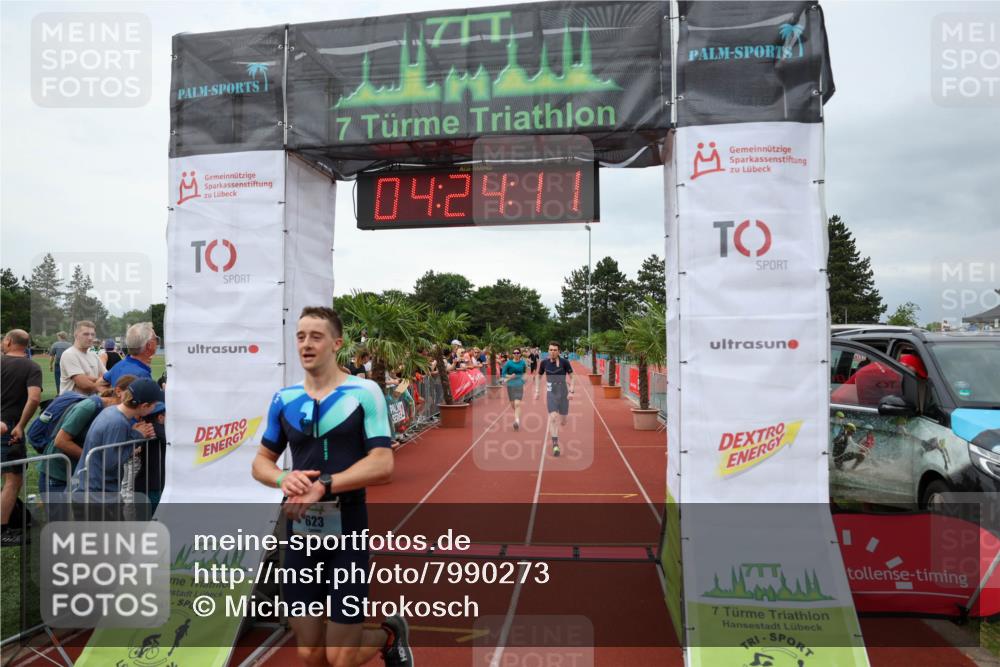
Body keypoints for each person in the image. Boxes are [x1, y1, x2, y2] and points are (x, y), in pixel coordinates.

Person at [250, 306, 412, 667]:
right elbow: (260, 462)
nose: (306, 344)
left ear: (337, 343)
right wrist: (281, 477)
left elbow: (383, 464)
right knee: (309, 653)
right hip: (300, 534)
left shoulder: (364, 392)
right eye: (301, 336)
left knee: (340, 657)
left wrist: (324, 484)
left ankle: (387, 635)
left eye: (316, 336)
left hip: (349, 530)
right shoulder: (285, 399)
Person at [39, 374, 137, 496]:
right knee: (63, 515)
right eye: (132, 397)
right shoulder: (89, 406)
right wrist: (93, 459)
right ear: (118, 391)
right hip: (57, 476)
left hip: (77, 474)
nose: (135, 402)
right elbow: (60, 441)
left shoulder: (119, 416)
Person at [71, 377, 160, 500]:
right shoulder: (118, 423)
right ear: (144, 406)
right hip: (97, 493)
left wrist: (131, 436)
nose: (155, 408)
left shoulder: (112, 411)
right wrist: (136, 436)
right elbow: (110, 463)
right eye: (154, 405)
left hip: (90, 488)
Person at [1, 329, 43, 545]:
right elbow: (34, 398)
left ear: (8, 341)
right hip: (10, 428)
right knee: (12, 480)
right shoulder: (32, 366)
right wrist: (20, 425)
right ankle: (3, 529)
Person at [533, 341, 575, 457]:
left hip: (563, 393)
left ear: (558, 351)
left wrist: (571, 391)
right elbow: (539, 376)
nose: (552, 352)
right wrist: (537, 391)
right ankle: (555, 444)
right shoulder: (544, 363)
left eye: (555, 350)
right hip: (551, 392)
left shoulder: (565, 362)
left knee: (563, 421)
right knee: (553, 417)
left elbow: (572, 377)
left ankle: (563, 419)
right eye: (551, 350)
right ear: (548, 350)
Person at [59, 320, 107, 395]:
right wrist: (101, 384)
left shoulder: (93, 355)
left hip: (90, 401)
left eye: (92, 334)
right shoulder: (69, 354)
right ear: (76, 335)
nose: (90, 338)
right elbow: (83, 384)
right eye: (86, 334)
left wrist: (90, 378)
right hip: (72, 403)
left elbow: (106, 377)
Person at [104, 322, 158, 386]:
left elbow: (100, 383)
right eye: (156, 339)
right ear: (149, 345)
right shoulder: (142, 375)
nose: (157, 342)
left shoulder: (118, 365)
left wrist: (112, 395)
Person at [501, 348, 528, 430]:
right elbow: (503, 374)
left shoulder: (523, 362)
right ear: (512, 354)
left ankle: (517, 421)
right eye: (514, 353)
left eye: (517, 353)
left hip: (519, 384)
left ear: (520, 354)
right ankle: (517, 413)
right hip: (510, 385)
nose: (516, 354)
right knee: (513, 405)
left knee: (517, 404)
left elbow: (525, 371)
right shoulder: (508, 363)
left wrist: (525, 377)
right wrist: (510, 376)